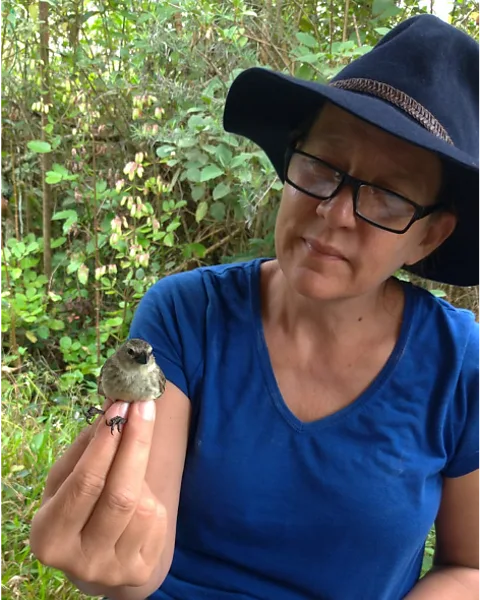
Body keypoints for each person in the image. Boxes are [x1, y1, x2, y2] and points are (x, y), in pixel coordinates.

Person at [30, 13, 480, 600]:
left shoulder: (461, 364)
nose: (336, 213)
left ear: (430, 235)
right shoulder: (187, 314)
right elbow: (145, 556)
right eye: (323, 168)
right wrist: (114, 560)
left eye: (389, 196)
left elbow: (470, 566)